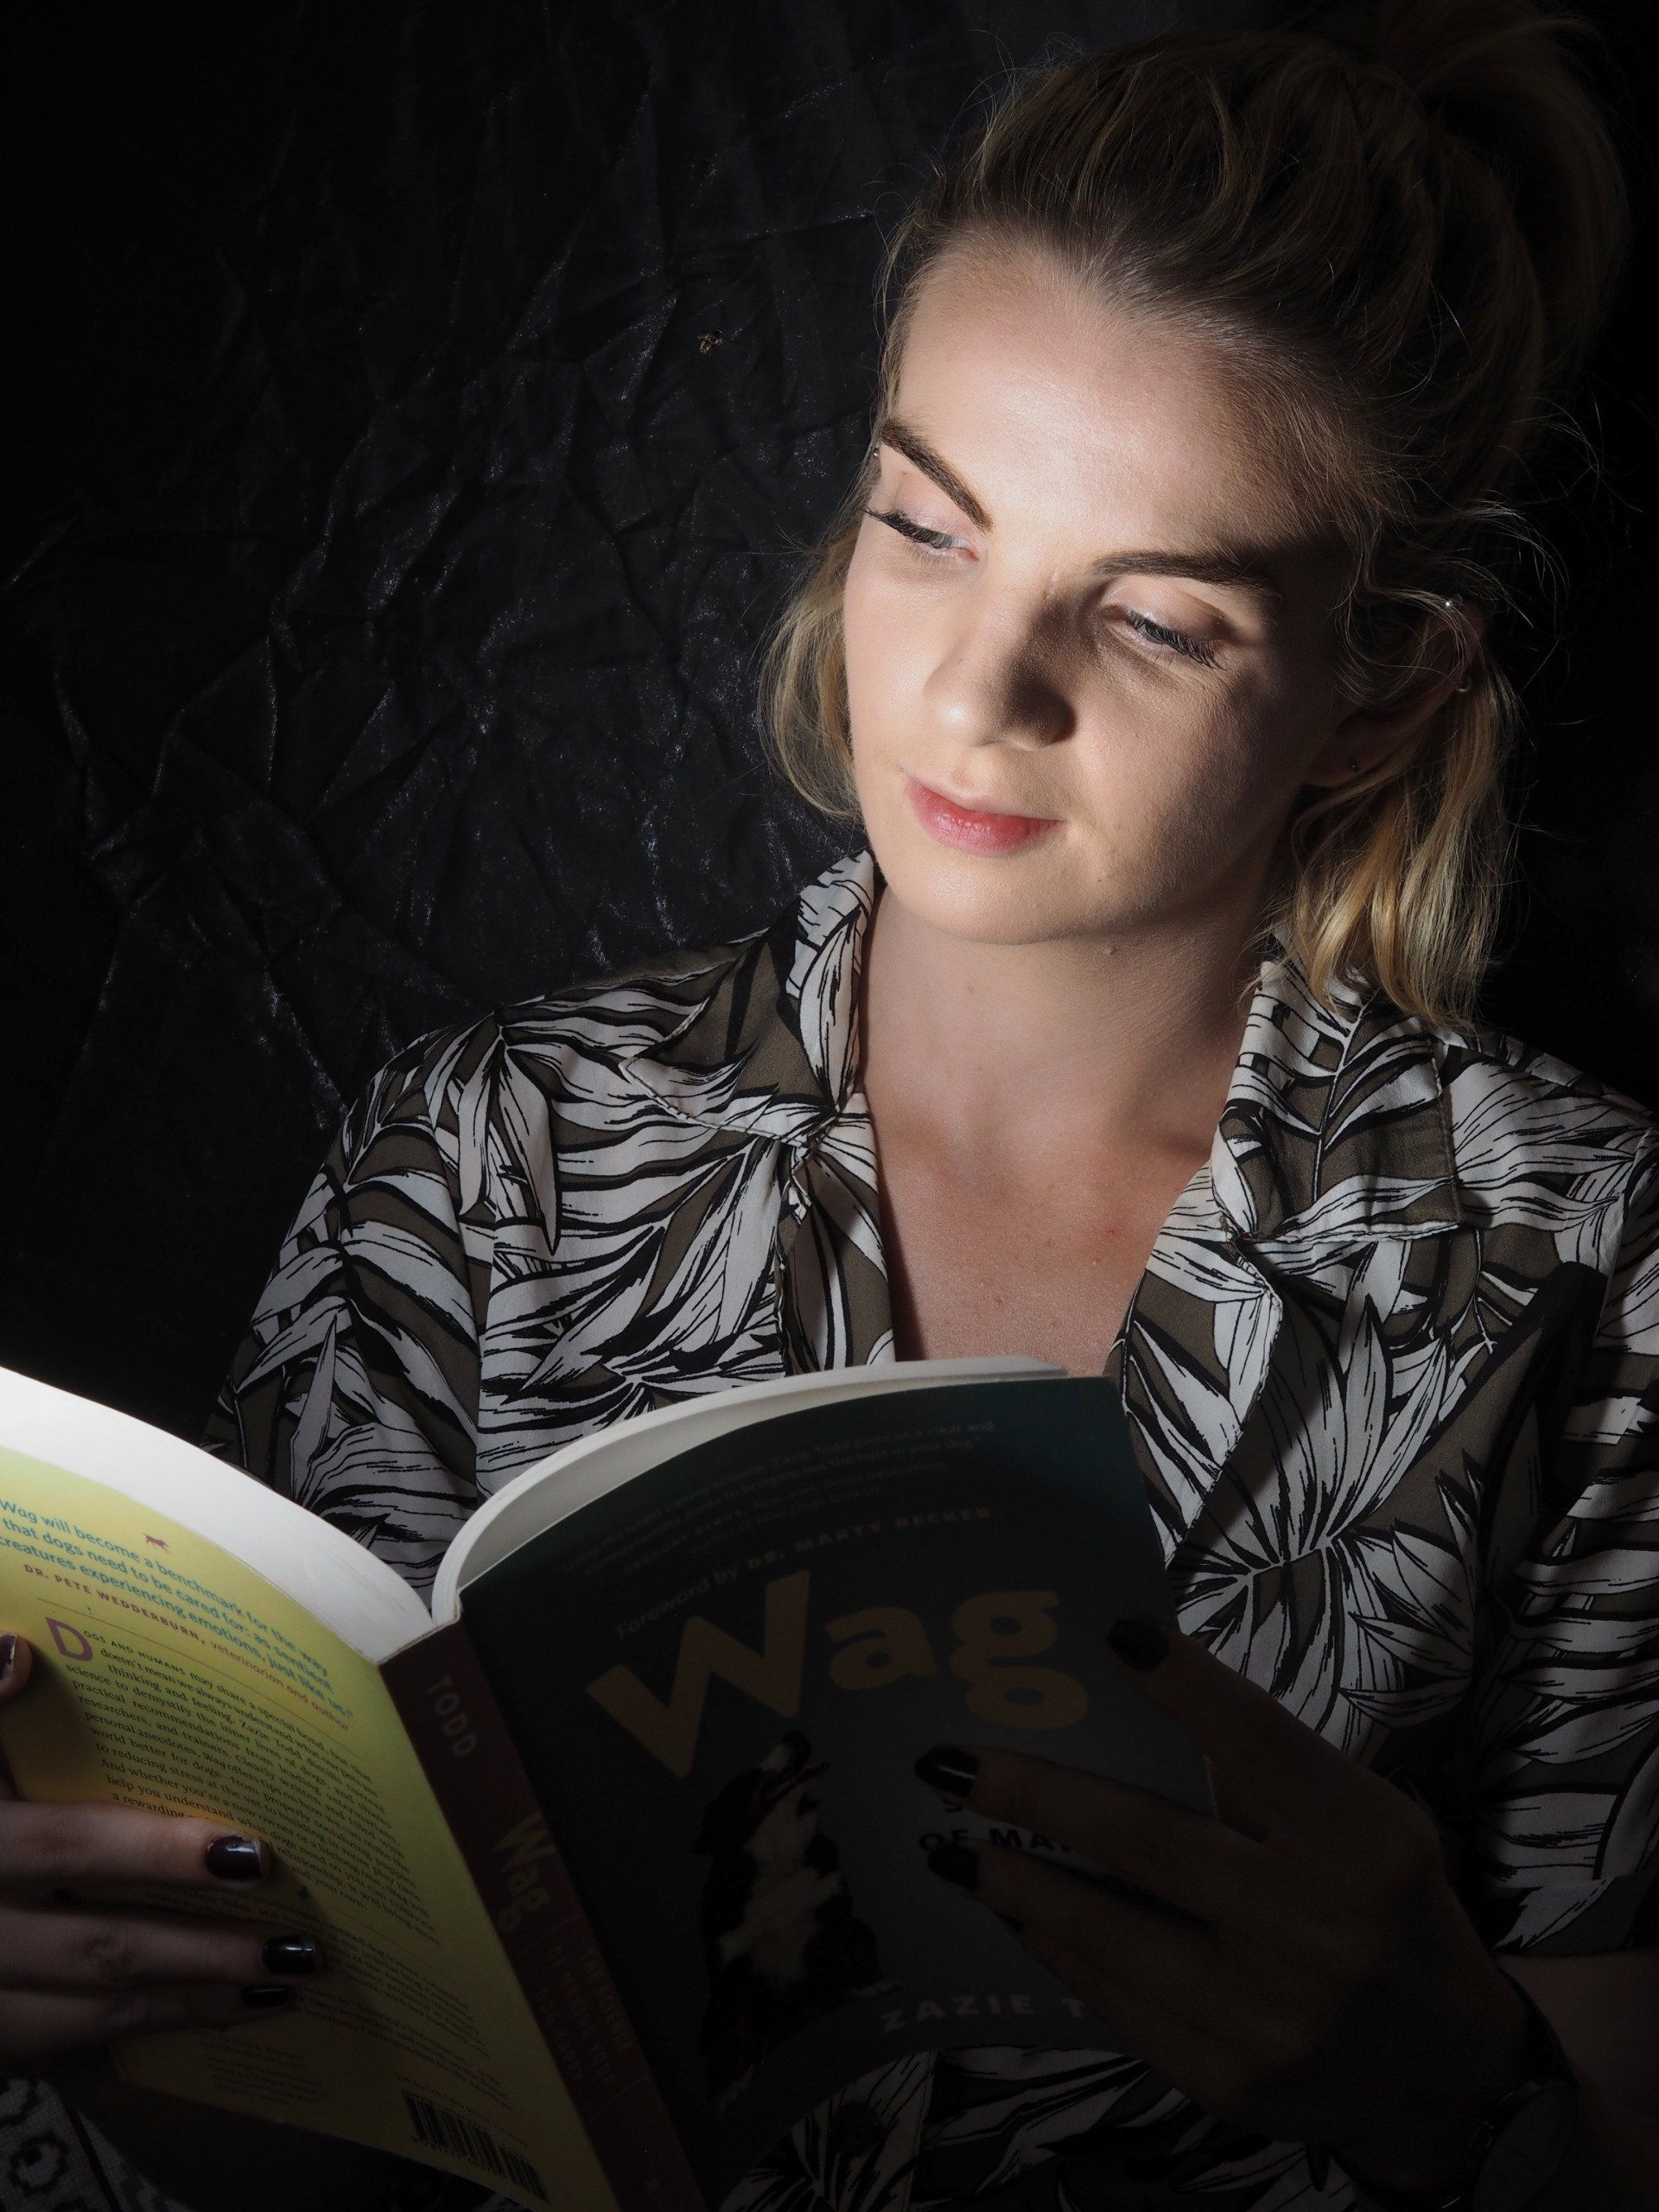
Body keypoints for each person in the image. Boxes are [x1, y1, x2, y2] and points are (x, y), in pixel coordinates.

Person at [3, 2, 1657, 2207]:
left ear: (1380, 693)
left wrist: (1448, 2068)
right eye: (927, 523)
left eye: (1156, 622)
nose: (979, 689)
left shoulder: (1580, 1258)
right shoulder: (484, 1159)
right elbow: (289, 2108)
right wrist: (114, 2006)